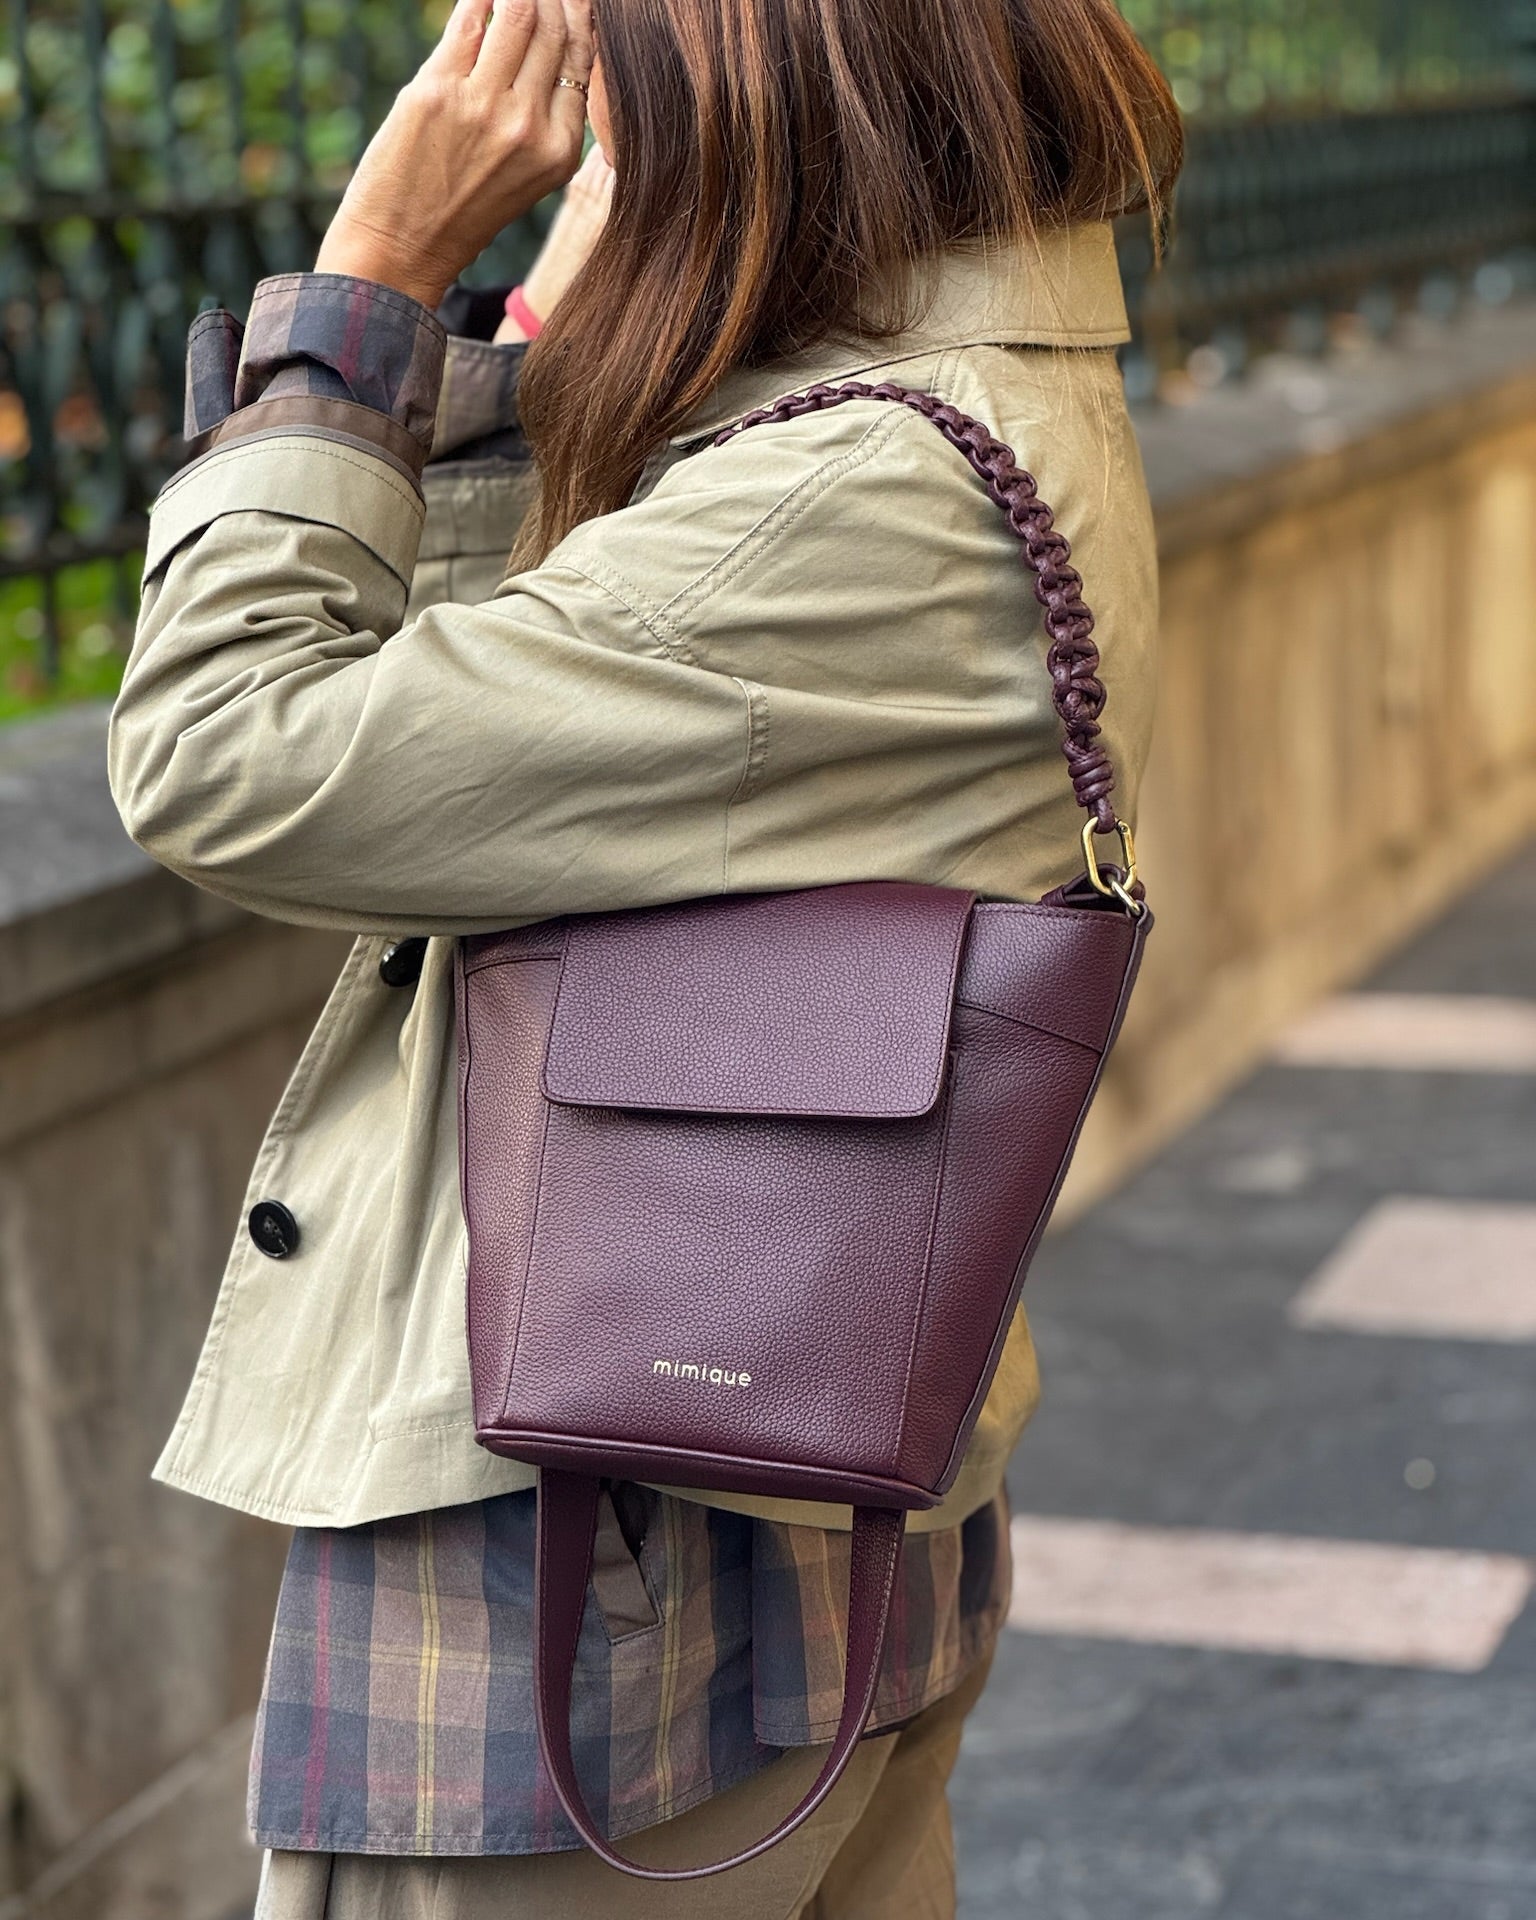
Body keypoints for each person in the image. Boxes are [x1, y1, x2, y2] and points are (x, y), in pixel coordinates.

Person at [107, 0, 1181, 1912]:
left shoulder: (837, 492)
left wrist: (363, 295)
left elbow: (230, 755)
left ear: (755, 60)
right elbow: (531, 720)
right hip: (801, 1470)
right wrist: (539, 346)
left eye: (597, 49)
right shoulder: (961, 383)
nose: (568, 97)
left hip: (589, 1539)